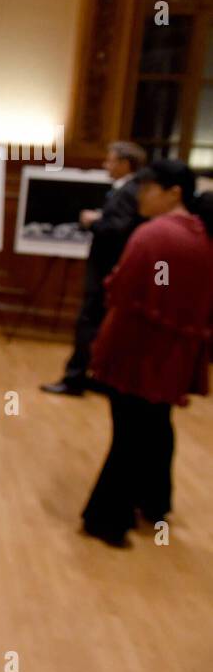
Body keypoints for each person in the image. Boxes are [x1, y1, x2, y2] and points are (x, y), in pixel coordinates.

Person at [80, 159, 213, 547]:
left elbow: (122, 289)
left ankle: (108, 519)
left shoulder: (157, 236)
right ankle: (155, 502)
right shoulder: (201, 236)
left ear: (173, 192)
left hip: (137, 351)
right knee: (155, 426)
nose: (140, 195)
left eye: (148, 187)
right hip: (173, 353)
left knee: (129, 434)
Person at [41, 141, 148, 396]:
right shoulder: (129, 190)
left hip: (106, 270)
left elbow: (119, 230)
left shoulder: (128, 191)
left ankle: (75, 377)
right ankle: (97, 376)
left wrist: (94, 223)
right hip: (109, 269)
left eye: (110, 160)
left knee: (89, 322)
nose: (105, 165)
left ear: (125, 163)